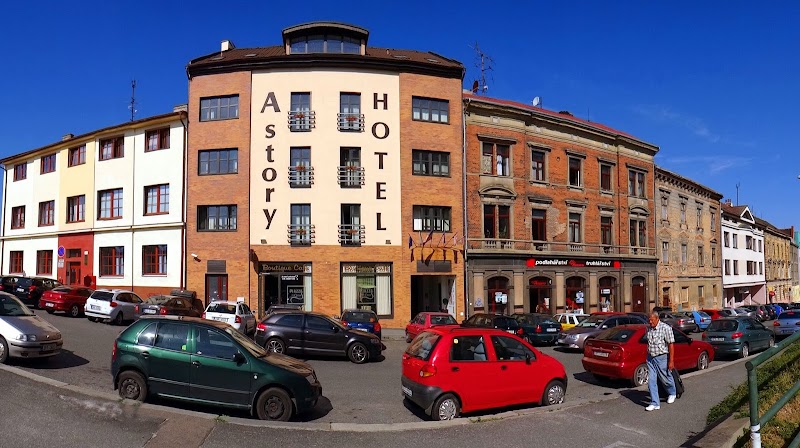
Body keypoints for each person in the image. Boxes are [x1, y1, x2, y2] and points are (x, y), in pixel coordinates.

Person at [645, 311, 676, 411]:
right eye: (649, 320)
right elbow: (648, 342)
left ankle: (672, 392)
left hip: (662, 357)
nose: (650, 322)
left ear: (657, 319)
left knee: (665, 378)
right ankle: (655, 403)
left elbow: (671, 344)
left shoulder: (665, 328)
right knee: (651, 380)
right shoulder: (648, 328)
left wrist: (671, 361)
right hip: (650, 358)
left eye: (652, 320)